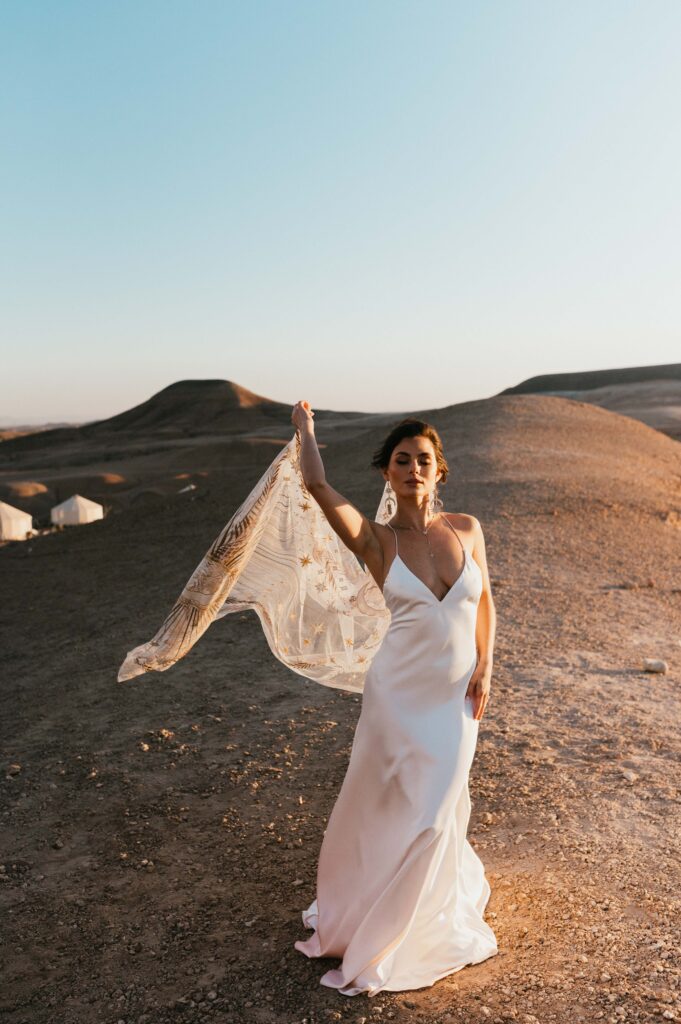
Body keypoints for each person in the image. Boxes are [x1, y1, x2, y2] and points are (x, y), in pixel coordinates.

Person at [290, 399, 498, 996]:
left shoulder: (467, 529)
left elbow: (485, 603)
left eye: (423, 460)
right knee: (393, 810)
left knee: (437, 815)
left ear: (439, 470)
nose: (413, 468)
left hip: (457, 699)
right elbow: (317, 484)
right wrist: (306, 430)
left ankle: (422, 918)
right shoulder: (376, 540)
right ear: (388, 473)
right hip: (397, 701)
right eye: (402, 460)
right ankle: (375, 921)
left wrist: (486, 663)